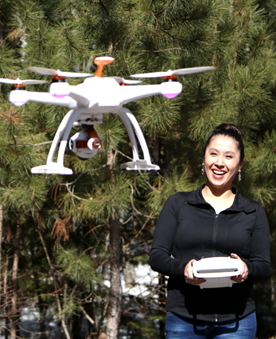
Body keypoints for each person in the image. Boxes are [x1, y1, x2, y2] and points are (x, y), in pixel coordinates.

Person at [149, 123, 272, 339]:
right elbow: (157, 256)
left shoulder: (253, 211)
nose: (219, 163)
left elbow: (264, 267)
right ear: (203, 159)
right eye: (213, 153)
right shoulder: (178, 204)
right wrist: (183, 269)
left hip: (237, 323)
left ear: (240, 164)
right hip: (183, 319)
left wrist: (246, 268)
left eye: (228, 156)